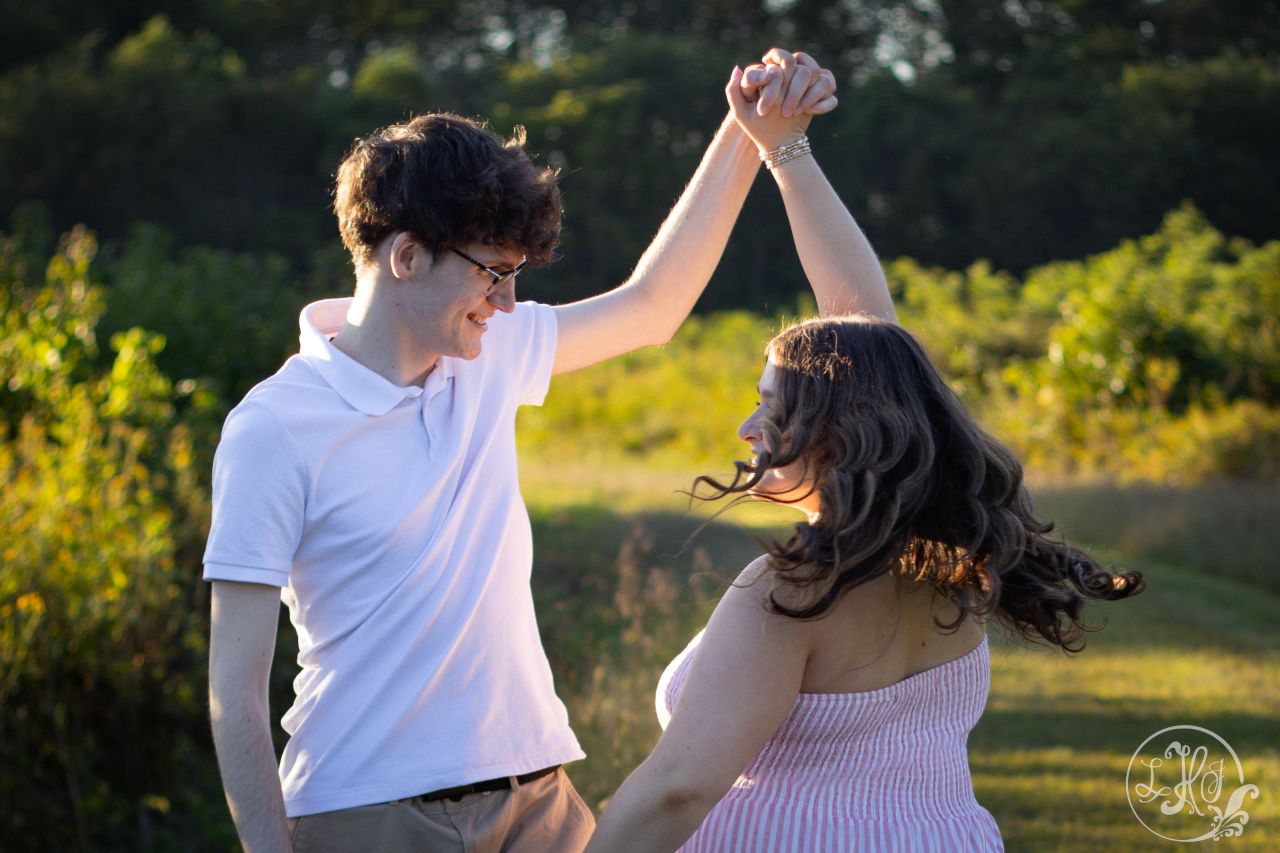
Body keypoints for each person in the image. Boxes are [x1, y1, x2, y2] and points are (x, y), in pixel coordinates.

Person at [203, 52, 838, 852]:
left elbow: (653, 305)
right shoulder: (274, 427)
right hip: (368, 810)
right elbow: (234, 690)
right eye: (493, 273)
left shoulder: (486, 352)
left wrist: (749, 130)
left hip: (537, 795)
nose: (507, 302)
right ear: (407, 256)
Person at [584, 57, 1147, 853]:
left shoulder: (795, 589)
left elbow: (678, 786)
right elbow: (872, 346)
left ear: (843, 432)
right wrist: (783, 150)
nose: (746, 428)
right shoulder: (947, 558)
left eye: (773, 407)